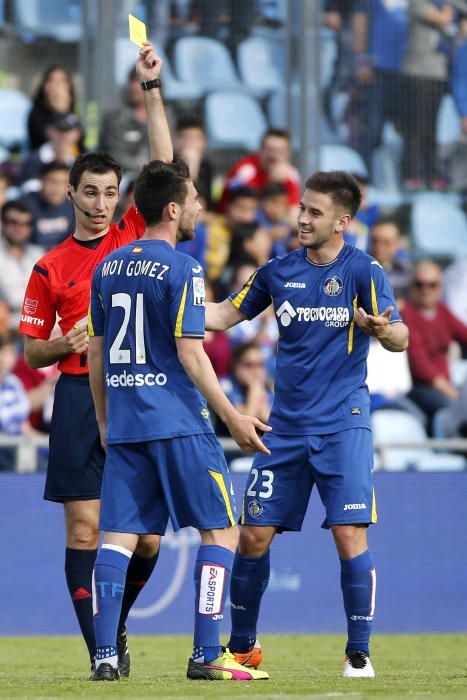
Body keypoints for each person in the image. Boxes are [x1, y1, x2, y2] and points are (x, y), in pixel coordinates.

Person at [206, 170, 409, 678]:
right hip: (286, 430)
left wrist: (383, 329)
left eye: (314, 212)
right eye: (302, 207)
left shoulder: (364, 271)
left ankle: (358, 651)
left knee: (348, 533)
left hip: (344, 424)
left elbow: (400, 335)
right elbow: (227, 315)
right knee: (252, 536)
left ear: (342, 221)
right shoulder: (277, 270)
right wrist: (170, 307)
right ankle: (245, 647)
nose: (301, 217)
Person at [17, 42, 172, 677]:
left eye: (112, 191)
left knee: (151, 540)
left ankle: (115, 620)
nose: (103, 201)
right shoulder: (50, 266)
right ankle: (102, 652)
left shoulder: (133, 235)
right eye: (92, 192)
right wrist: (67, 342)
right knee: (84, 533)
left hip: (139, 394)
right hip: (81, 396)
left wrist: (152, 89)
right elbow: (32, 352)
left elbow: (165, 164)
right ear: (74, 196)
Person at [87, 158, 270, 682]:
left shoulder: (109, 267)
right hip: (179, 422)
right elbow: (192, 353)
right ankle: (206, 654)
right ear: (173, 208)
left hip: (125, 424)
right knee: (221, 532)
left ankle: (104, 657)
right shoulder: (183, 266)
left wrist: (105, 421)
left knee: (118, 538)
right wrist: (234, 416)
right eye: (192, 200)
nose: (198, 208)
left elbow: (96, 353)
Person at [401, 259, 467, 432]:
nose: (425, 290)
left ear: (441, 288)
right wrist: (451, 392)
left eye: (432, 285)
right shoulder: (405, 315)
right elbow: (419, 364)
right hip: (419, 389)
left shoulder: (442, 311)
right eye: (419, 284)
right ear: (411, 287)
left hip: (445, 386)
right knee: (456, 409)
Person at [219, 128, 301, 223]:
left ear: (288, 153)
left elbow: (294, 214)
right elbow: (235, 209)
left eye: (279, 151)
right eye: (269, 150)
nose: (273, 156)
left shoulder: (291, 174)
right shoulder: (246, 171)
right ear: (260, 149)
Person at [0, 200, 44, 332]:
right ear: (3, 223)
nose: (19, 228)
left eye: (26, 224)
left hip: (43, 322)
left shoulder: (38, 254)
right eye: (13, 222)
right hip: (9, 325)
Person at [27, 65, 84, 152]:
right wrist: (60, 111)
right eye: (52, 81)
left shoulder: (73, 114)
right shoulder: (36, 114)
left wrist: (66, 111)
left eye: (62, 81)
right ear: (45, 86)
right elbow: (51, 139)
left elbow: (80, 142)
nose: (57, 86)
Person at [24, 161, 75, 249]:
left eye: (63, 182)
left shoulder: (73, 207)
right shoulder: (25, 205)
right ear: (40, 180)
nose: (57, 188)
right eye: (52, 181)